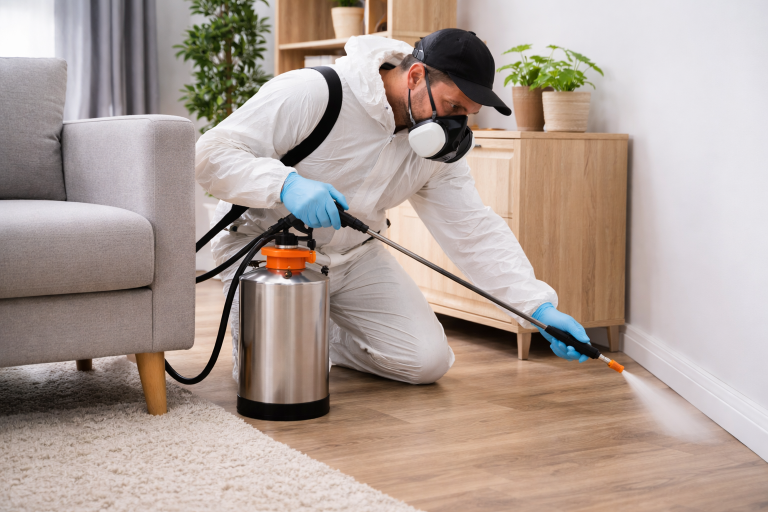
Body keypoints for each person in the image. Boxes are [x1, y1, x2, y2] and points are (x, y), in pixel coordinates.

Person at [195, 29, 592, 384]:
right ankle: (304, 335)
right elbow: (209, 154)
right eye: (453, 107)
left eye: (467, 116)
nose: (457, 126)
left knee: (427, 363)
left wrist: (535, 307)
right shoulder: (315, 92)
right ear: (416, 76)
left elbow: (472, 229)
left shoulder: (435, 150)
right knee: (276, 378)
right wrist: (286, 184)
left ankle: (324, 338)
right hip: (269, 253)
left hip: (354, 257)